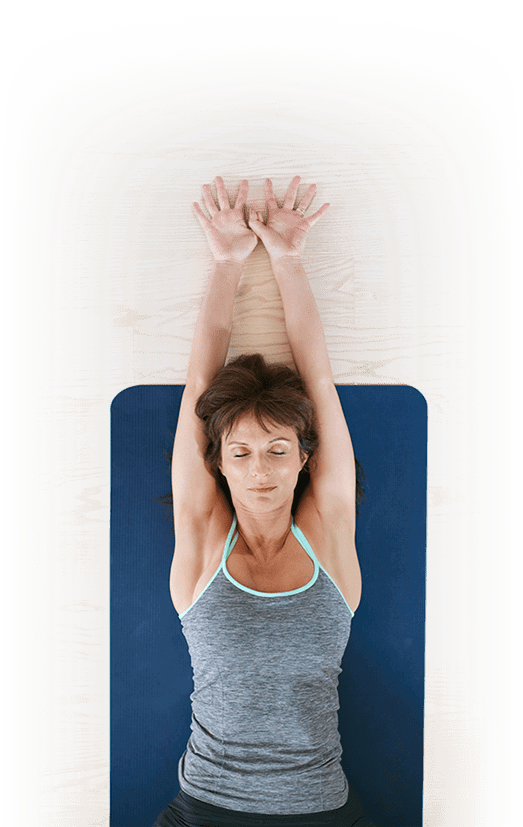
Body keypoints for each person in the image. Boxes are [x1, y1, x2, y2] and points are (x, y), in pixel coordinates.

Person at [153, 176, 376, 826]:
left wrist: (287, 259)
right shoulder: (200, 543)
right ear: (217, 463)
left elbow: (319, 379)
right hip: (205, 810)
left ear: (306, 457)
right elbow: (200, 383)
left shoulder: (329, 532)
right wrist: (225, 263)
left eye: (278, 450)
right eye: (242, 453)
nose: (260, 470)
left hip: (320, 811)